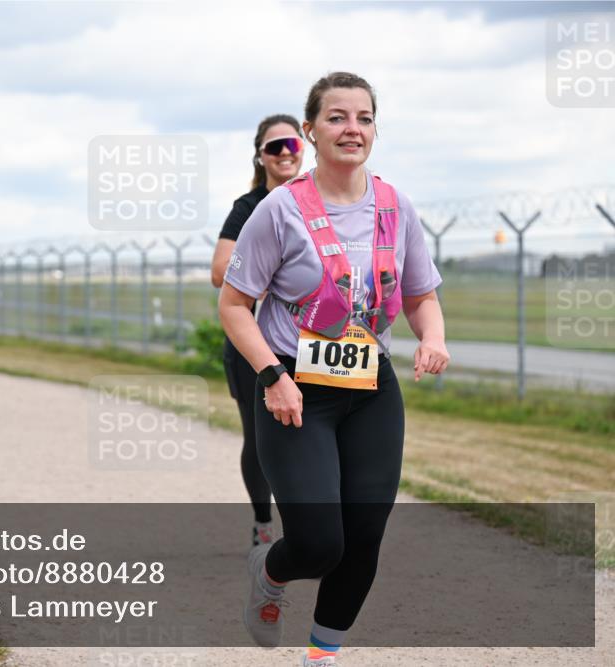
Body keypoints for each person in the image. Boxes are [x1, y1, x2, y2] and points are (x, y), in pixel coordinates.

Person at [219, 72, 449, 666]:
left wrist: (434, 338)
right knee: (321, 543)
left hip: (372, 386)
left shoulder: (396, 207)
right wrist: (272, 377)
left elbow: (422, 295)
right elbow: (234, 305)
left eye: (364, 118)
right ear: (311, 132)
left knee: (364, 536)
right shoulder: (278, 210)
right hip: (295, 386)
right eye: (338, 117)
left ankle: (321, 656)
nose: (353, 128)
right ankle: (267, 575)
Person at [212, 114, 304, 548]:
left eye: (291, 144)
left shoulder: (316, 202)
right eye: (274, 147)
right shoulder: (247, 209)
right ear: (261, 156)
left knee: (309, 435)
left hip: (310, 345)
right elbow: (219, 271)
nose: (285, 153)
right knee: (260, 437)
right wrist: (279, 273)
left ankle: (310, 530)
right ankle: (264, 522)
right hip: (255, 346)